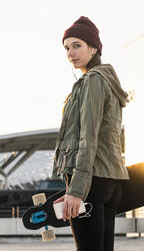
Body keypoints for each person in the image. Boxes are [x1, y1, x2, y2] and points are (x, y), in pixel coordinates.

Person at [51, 16, 130, 251]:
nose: (70, 53)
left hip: (92, 183)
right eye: (67, 48)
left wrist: (76, 191)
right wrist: (72, 190)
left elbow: (88, 137)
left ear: (93, 47)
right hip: (107, 181)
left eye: (77, 46)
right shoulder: (107, 80)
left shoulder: (93, 80)